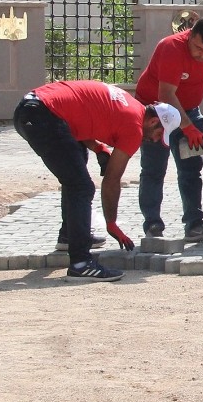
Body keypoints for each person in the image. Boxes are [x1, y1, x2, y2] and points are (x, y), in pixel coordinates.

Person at [14, 81, 179, 281]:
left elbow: (80, 115)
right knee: (82, 187)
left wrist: (98, 148)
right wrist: (111, 223)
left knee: (77, 164)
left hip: (33, 108)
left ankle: (70, 236)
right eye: (158, 134)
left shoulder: (129, 104)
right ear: (153, 122)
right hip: (43, 116)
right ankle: (81, 264)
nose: (154, 140)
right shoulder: (134, 128)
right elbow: (111, 180)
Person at [134, 15, 203, 240]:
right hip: (155, 112)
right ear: (190, 35)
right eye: (198, 48)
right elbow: (166, 96)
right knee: (154, 169)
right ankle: (153, 226)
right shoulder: (171, 47)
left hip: (190, 109)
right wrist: (189, 128)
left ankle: (194, 225)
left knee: (191, 170)